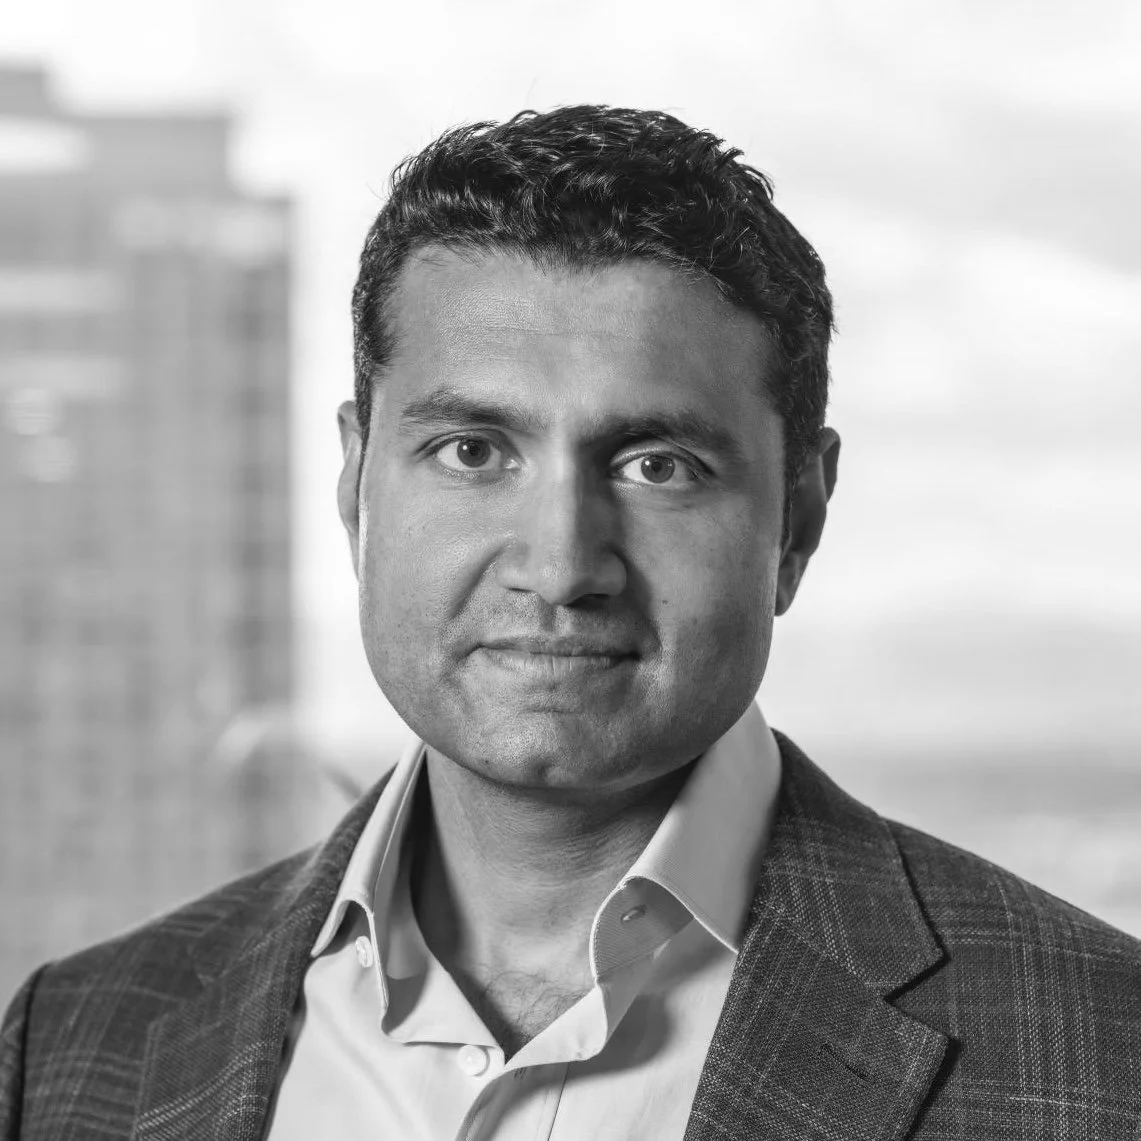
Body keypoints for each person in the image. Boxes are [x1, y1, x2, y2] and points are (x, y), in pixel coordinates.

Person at [2, 105, 1139, 1141]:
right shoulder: (69, 1047)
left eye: (656, 464)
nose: (558, 566)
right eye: (472, 451)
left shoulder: (1100, 1057)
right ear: (356, 482)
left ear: (797, 517)